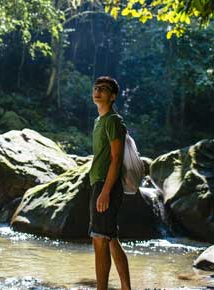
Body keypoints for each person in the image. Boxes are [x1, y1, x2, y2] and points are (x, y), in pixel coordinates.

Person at [88, 76, 131, 290]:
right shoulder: (99, 121)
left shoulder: (114, 121)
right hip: (100, 183)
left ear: (112, 96)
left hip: (106, 185)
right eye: (96, 88)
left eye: (103, 89)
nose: (98, 91)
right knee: (111, 238)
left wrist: (105, 192)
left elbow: (116, 157)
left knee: (100, 240)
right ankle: (126, 287)